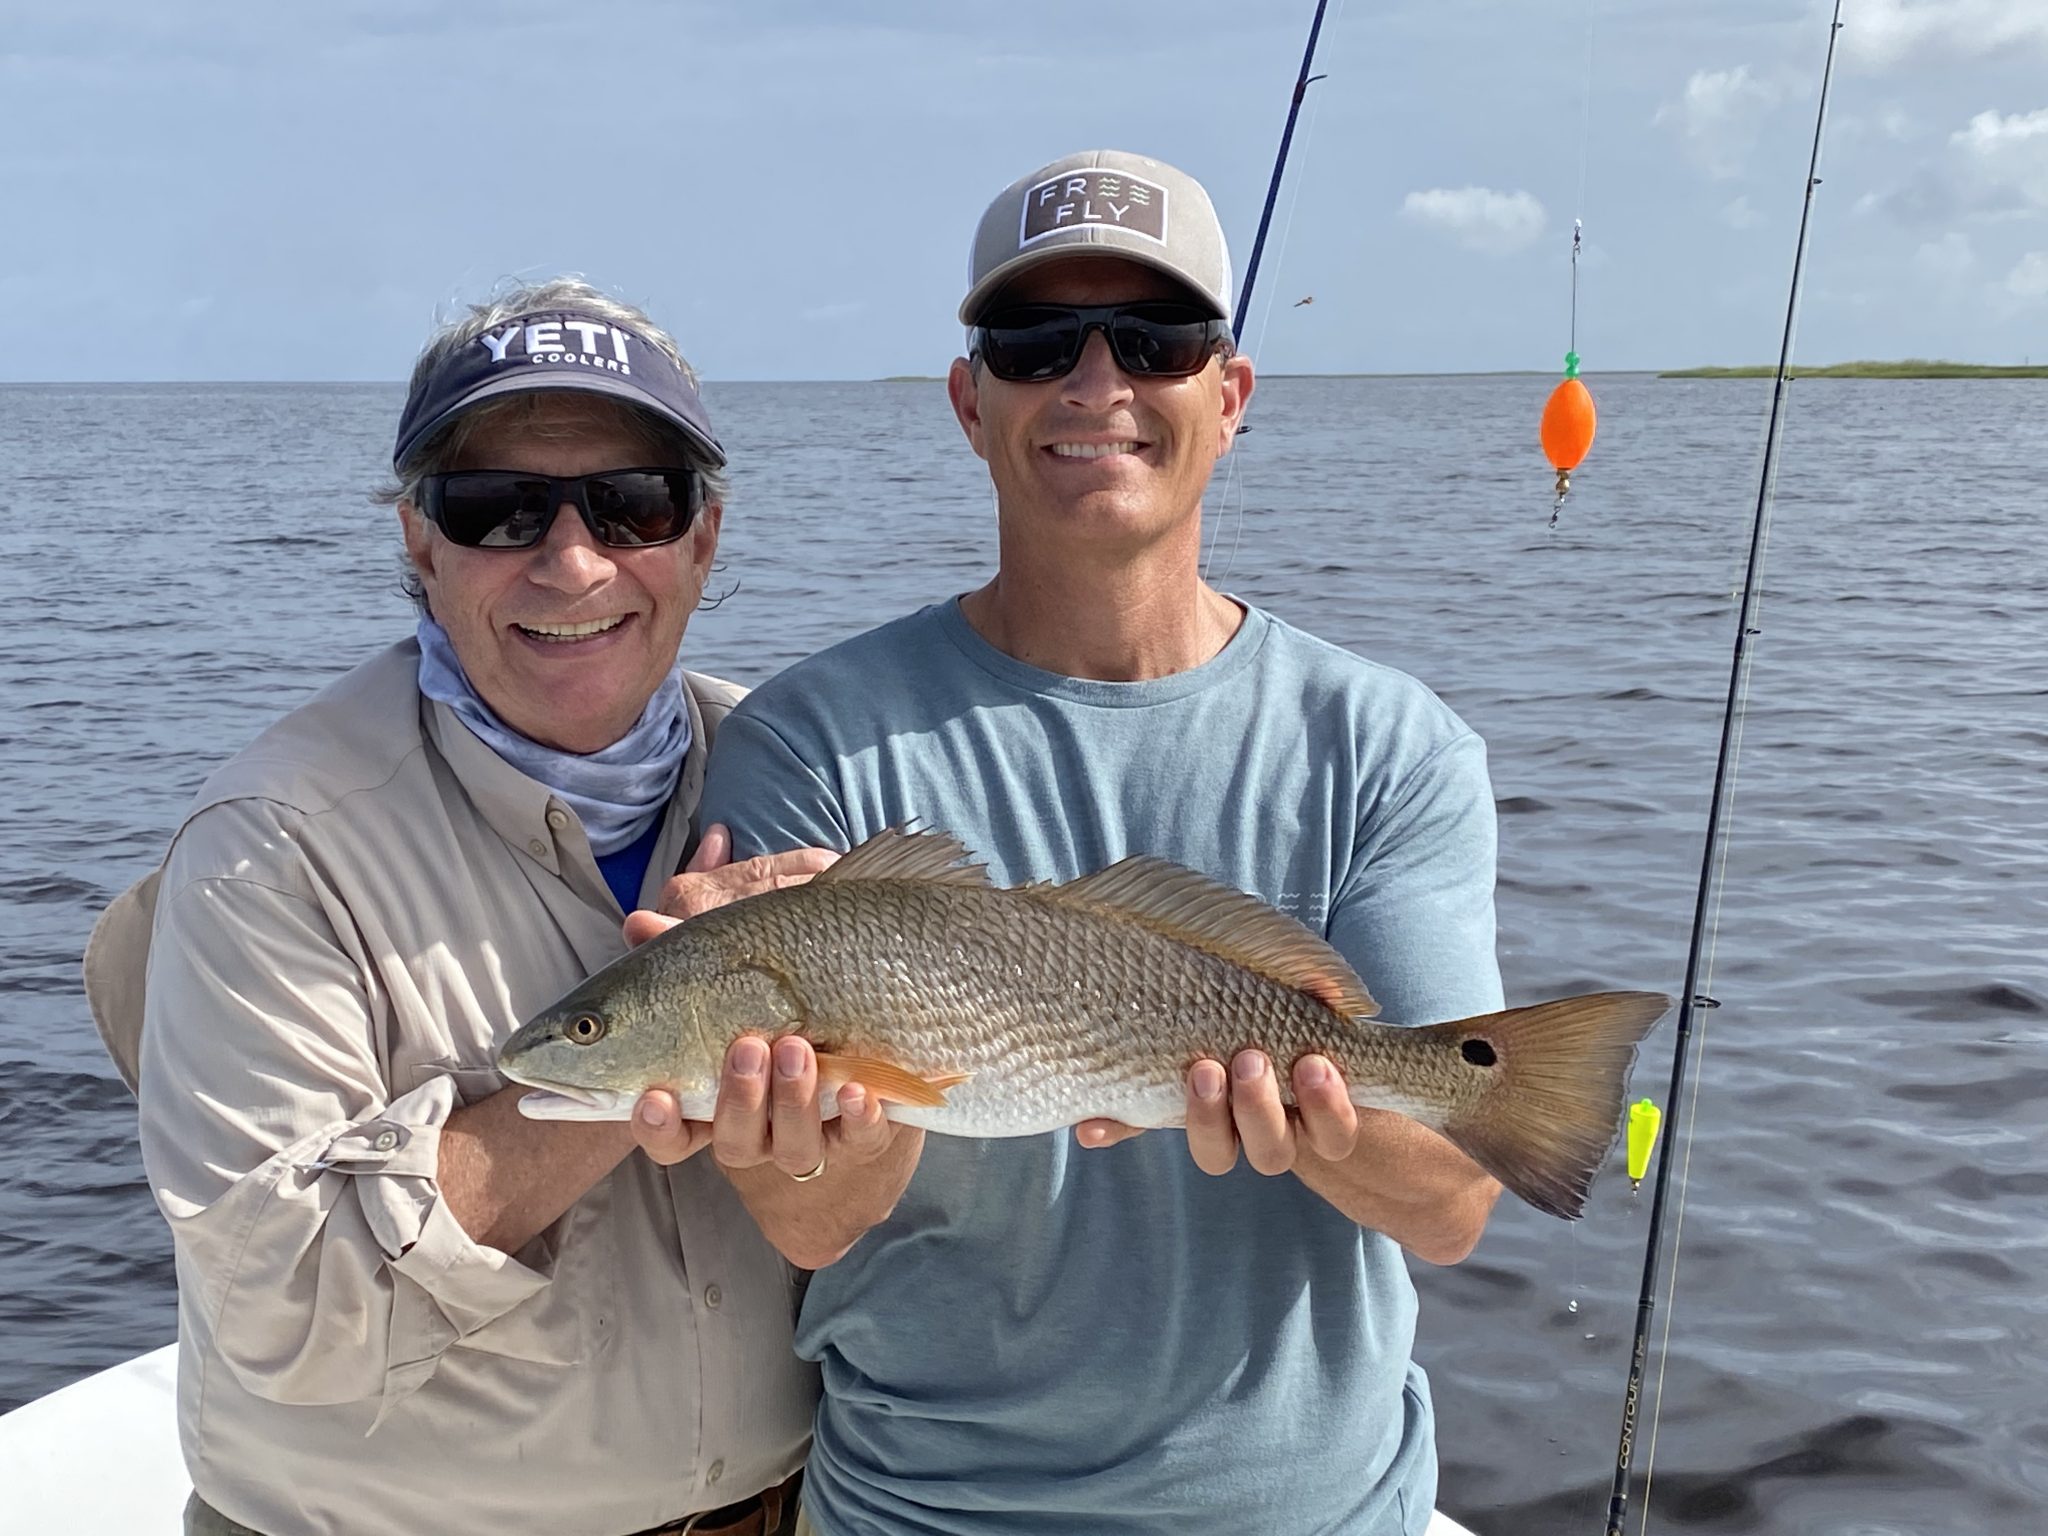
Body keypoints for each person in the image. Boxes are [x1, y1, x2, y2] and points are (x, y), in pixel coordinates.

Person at [629, 151, 1506, 1534]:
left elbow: (1455, 1205)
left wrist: (1318, 1129)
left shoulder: (1390, 747)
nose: (1096, 386)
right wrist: (800, 1117)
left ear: (1232, 393)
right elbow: (810, 1225)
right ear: (973, 402)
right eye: (1038, 346)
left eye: (1155, 342)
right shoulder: (811, 738)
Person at [82, 278, 827, 1536]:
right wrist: (659, 1042)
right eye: (498, 509)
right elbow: (287, 1307)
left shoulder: (800, 771)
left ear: (701, 539)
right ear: (419, 544)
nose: (573, 559)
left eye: (633, 503)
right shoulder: (272, 845)